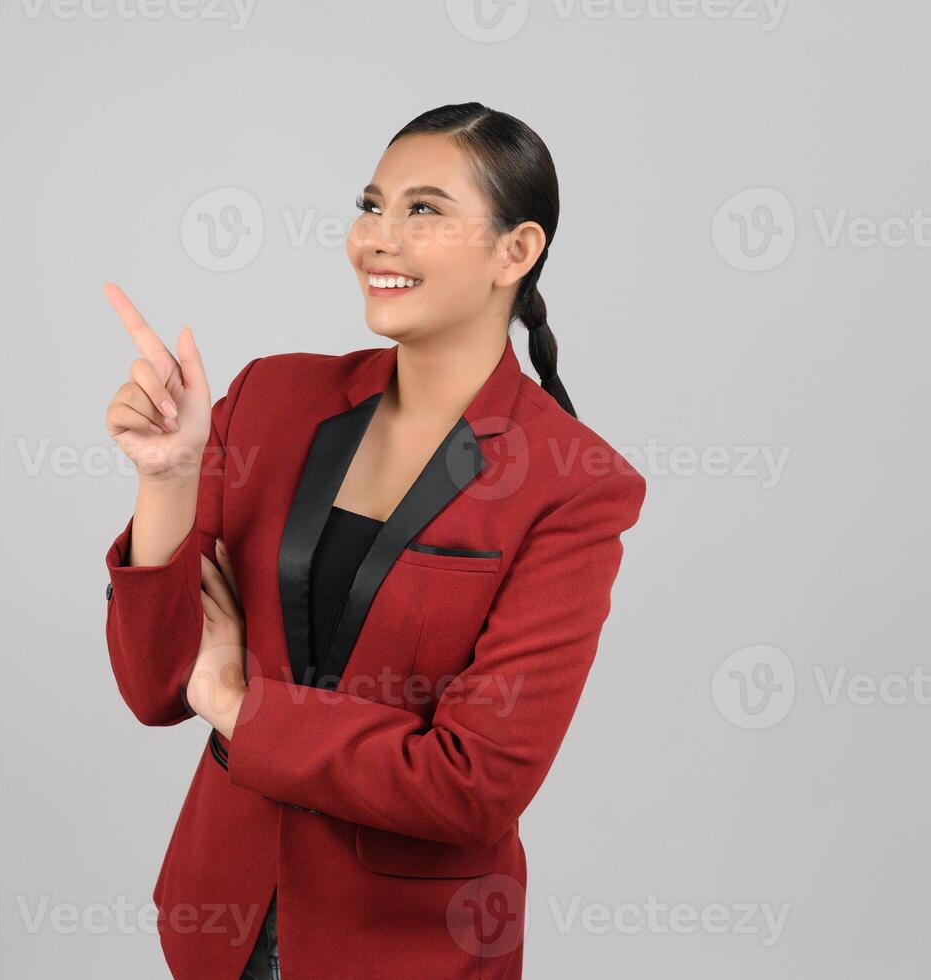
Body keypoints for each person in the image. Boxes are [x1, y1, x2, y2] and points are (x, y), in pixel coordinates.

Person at [102, 102, 647, 978]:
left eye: (422, 210)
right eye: (370, 205)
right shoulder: (273, 400)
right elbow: (155, 686)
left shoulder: (571, 483)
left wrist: (240, 704)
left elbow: (471, 785)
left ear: (516, 250)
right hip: (222, 918)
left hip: (412, 949)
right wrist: (165, 478)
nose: (376, 239)